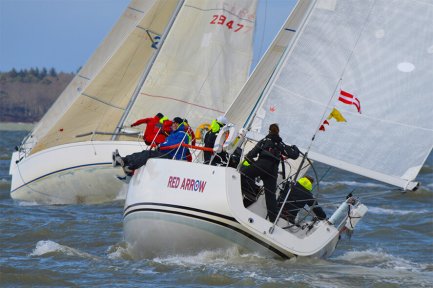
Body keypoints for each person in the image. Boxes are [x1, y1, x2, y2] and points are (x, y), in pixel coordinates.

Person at [240, 123, 300, 222]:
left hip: (261, 165)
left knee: (241, 174)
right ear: (278, 132)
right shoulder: (281, 145)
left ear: (269, 131)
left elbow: (250, 155)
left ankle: (250, 192)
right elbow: (294, 155)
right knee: (270, 196)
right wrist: (295, 147)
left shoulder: (264, 141)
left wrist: (254, 164)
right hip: (272, 171)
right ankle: (273, 220)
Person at [113, 117, 190, 176]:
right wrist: (160, 145)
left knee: (148, 154)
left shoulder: (183, 134)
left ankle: (130, 168)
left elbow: (177, 143)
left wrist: (162, 145)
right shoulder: (172, 134)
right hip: (163, 152)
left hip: (171, 156)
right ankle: (123, 160)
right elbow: (167, 141)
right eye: (173, 123)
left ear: (180, 124)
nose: (173, 124)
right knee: (144, 152)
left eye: (176, 123)